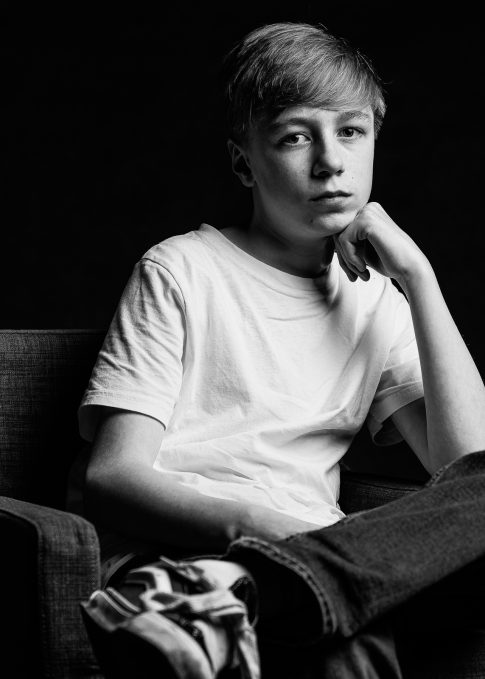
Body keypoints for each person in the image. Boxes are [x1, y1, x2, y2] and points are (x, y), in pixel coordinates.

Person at [76, 21, 485, 679]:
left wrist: (418, 277)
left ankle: (270, 591)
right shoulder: (181, 270)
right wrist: (264, 528)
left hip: (324, 568)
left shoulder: (377, 301)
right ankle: (218, 595)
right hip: (183, 555)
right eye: (295, 137)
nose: (330, 161)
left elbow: (468, 469)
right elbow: (112, 477)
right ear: (244, 162)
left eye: (350, 132)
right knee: (342, 634)